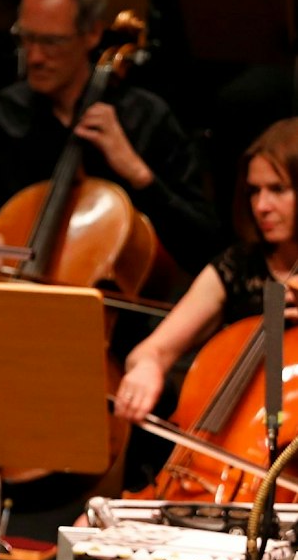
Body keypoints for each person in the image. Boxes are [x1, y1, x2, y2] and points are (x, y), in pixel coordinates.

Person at [0, 0, 218, 277]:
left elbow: (206, 246)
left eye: (52, 42)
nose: (36, 56)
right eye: (27, 37)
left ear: (93, 33)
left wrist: (139, 174)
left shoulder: (146, 119)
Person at [115, 119, 298, 424]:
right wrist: (147, 366)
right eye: (254, 191)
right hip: (238, 446)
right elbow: (151, 351)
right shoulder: (238, 265)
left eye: (278, 190)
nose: (262, 206)